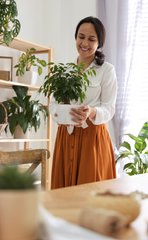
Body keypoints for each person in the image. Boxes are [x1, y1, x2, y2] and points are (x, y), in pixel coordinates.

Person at [49, 16, 117, 189]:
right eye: (81, 37)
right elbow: (53, 105)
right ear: (76, 38)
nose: (84, 43)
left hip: (92, 138)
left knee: (92, 194)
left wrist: (91, 112)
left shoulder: (106, 70)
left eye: (91, 39)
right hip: (66, 135)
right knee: (64, 197)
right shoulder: (65, 71)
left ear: (99, 43)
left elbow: (109, 108)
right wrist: (61, 114)